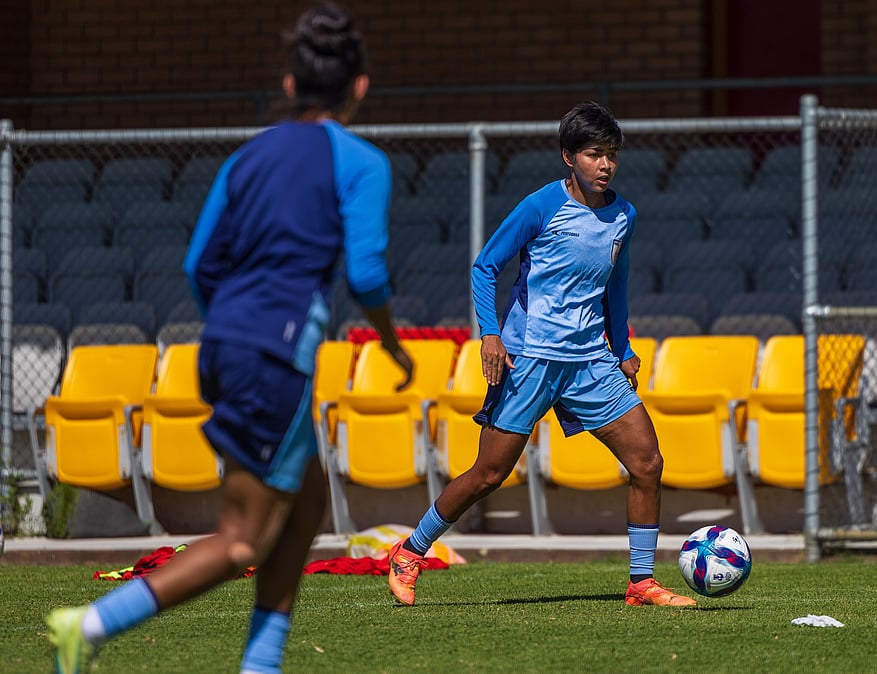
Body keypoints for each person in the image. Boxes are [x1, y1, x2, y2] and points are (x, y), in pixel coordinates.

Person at [44, 4, 413, 672]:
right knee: (243, 540)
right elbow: (364, 272)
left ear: (291, 84)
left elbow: (197, 265)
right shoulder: (362, 162)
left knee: (304, 502)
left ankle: (259, 665)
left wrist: (236, 328)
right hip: (272, 355)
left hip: (222, 345)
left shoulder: (248, 155)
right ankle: (91, 625)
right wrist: (389, 343)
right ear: (361, 87)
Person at [387, 101, 696, 608]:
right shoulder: (540, 206)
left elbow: (615, 288)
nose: (605, 165)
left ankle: (641, 583)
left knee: (647, 461)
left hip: (591, 362)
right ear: (568, 158)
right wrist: (491, 334)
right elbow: (485, 266)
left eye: (611, 155)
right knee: (489, 474)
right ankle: (409, 551)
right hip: (528, 359)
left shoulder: (624, 216)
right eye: (594, 154)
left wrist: (622, 349)